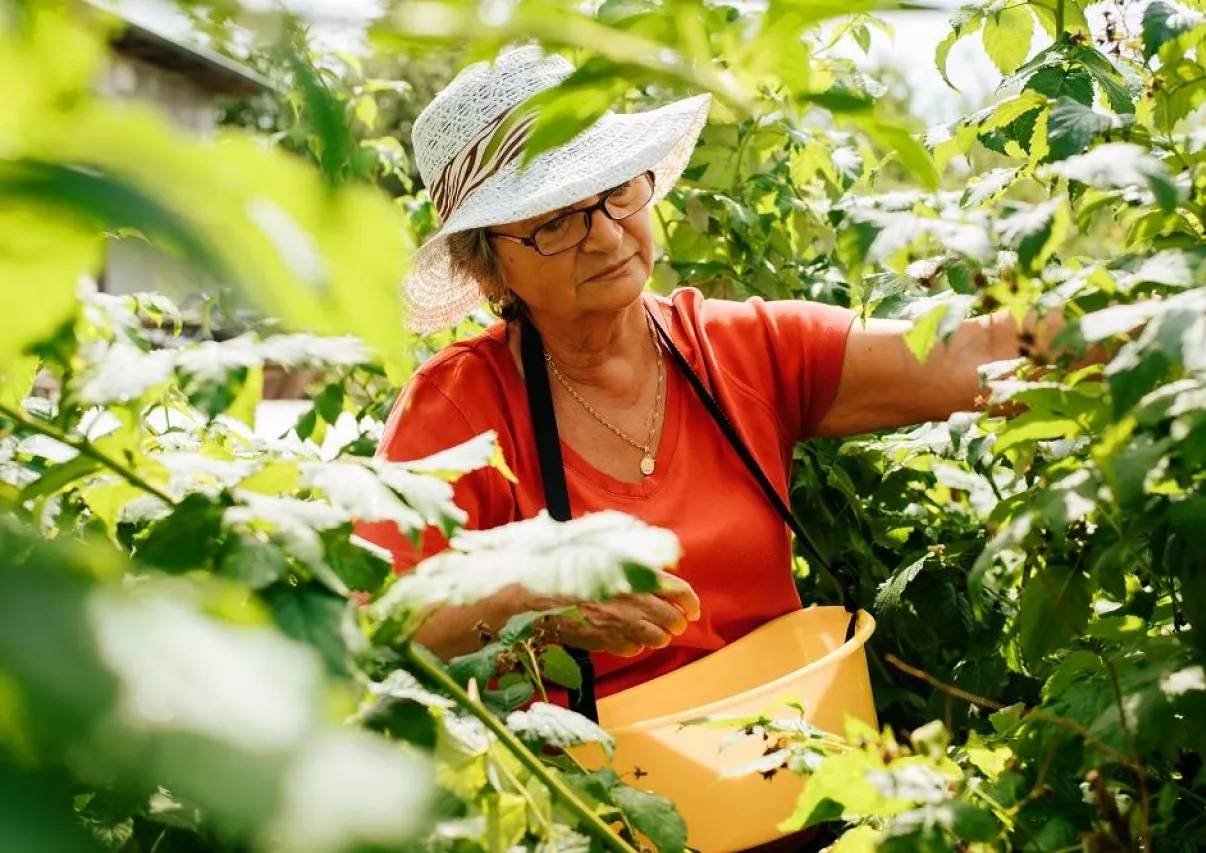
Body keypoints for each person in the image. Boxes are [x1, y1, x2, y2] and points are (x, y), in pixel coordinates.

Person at [353, 46, 1069, 702]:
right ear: (489, 265)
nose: (604, 232)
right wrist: (531, 601)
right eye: (553, 220)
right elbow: (373, 635)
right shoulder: (458, 411)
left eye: (614, 190)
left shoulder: (738, 350)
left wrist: (1147, 328)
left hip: (795, 777)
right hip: (599, 817)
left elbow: (964, 355)